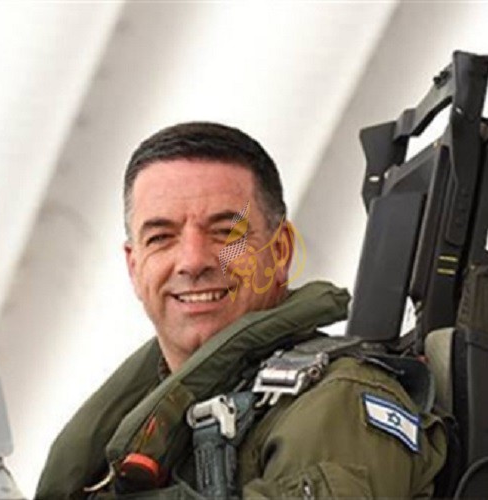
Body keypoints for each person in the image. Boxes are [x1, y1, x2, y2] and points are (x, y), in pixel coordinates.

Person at [35, 122, 447, 499]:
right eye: (161, 237)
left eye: (226, 233)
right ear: (134, 266)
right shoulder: (149, 427)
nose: (193, 261)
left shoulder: (338, 401)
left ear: (280, 250)